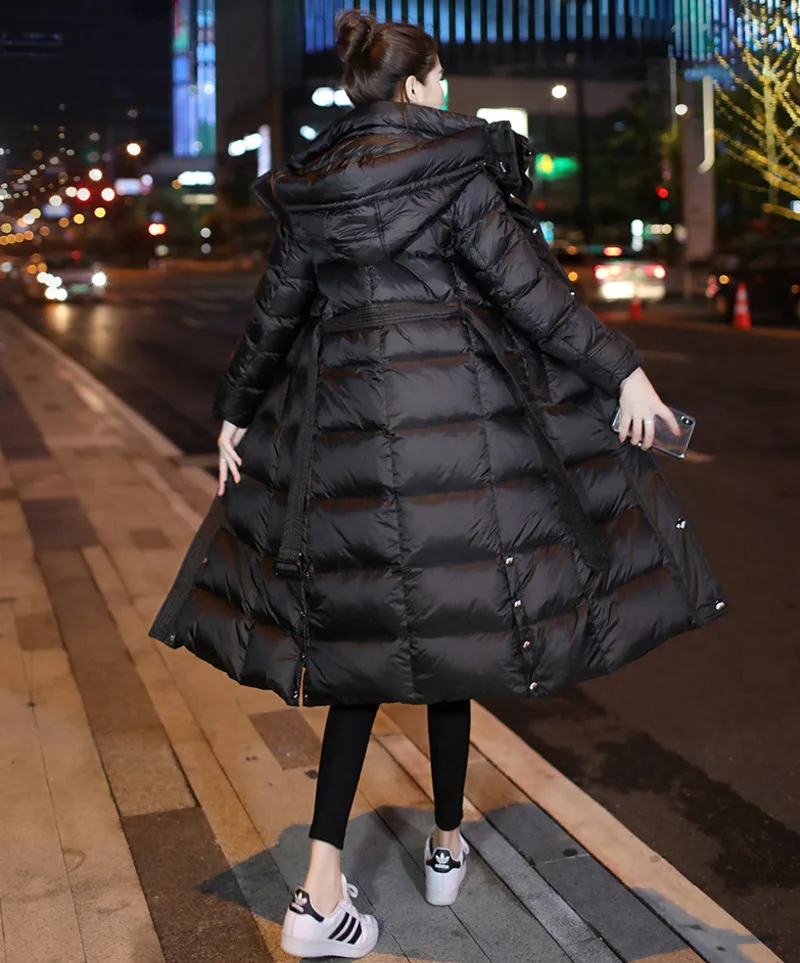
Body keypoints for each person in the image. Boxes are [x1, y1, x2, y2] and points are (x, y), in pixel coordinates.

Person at [151, 10, 727, 959]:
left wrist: (234, 411)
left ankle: (318, 890)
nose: (447, 92)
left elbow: (276, 314)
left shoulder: (315, 186)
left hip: (347, 456)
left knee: (362, 660)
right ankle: (448, 844)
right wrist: (623, 369)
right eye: (442, 78)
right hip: (457, 452)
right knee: (459, 641)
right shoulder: (455, 170)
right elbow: (532, 294)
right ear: (417, 85)